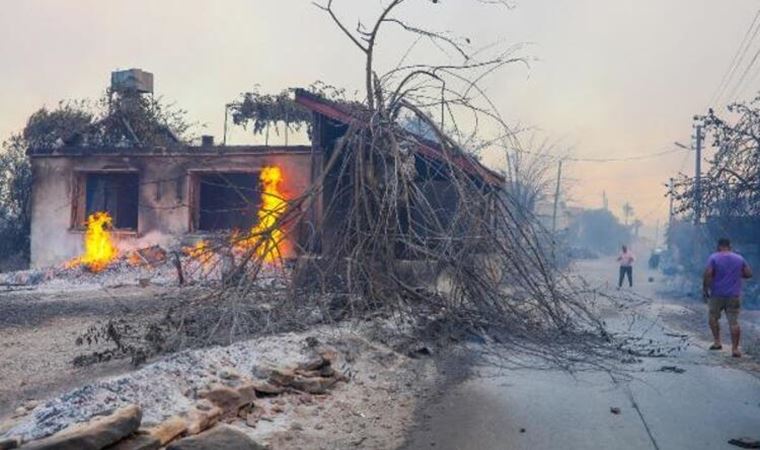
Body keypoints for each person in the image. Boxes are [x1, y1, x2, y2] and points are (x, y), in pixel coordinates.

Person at [703, 238, 753, 358]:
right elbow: (749, 274)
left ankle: (717, 342)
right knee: (734, 322)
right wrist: (736, 274)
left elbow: (708, 274)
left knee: (713, 318)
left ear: (719, 246)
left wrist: (705, 289)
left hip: (717, 295)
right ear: (730, 246)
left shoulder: (713, 257)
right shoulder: (739, 258)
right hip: (733, 295)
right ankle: (735, 349)